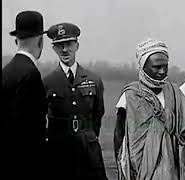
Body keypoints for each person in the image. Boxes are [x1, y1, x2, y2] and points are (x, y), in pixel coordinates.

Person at [113, 38, 185, 180]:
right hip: (139, 167)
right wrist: (121, 162)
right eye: (157, 67)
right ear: (143, 67)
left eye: (165, 66)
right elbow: (119, 134)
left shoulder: (174, 92)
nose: (162, 71)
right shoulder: (130, 96)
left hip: (171, 166)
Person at [43, 23, 107, 180]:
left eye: (69, 44)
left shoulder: (93, 80)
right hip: (58, 151)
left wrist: (88, 135)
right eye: (59, 45)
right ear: (54, 49)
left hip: (88, 150)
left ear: (77, 45)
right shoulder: (47, 82)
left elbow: (98, 114)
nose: (65, 50)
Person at [2, 10, 48, 178]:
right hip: (25, 167)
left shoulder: (6, 71)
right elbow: (32, 132)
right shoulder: (31, 75)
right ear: (41, 42)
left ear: (16, 41)